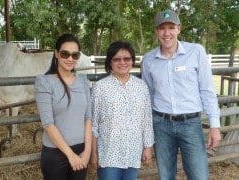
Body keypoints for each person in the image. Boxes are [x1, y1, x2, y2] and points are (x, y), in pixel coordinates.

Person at [141, 10, 221, 180]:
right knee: (166, 175)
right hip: (161, 125)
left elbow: (207, 90)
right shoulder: (148, 60)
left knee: (199, 175)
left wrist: (214, 126)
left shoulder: (196, 52)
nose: (166, 33)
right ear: (156, 31)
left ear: (179, 29)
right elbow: (148, 96)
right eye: (162, 28)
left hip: (190, 124)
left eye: (171, 27)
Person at [90, 41, 154, 180]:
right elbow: (94, 124)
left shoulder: (141, 86)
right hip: (108, 153)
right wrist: (93, 154)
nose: (122, 62)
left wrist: (147, 147)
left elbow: (146, 120)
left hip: (133, 152)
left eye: (127, 58)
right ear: (110, 62)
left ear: (132, 60)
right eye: (117, 59)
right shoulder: (100, 87)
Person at [34, 33, 92, 180]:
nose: (70, 59)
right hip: (55, 153)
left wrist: (87, 152)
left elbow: (88, 117)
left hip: (81, 150)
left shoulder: (83, 81)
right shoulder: (44, 82)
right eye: (65, 54)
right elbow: (48, 123)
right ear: (56, 54)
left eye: (75, 55)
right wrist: (71, 156)